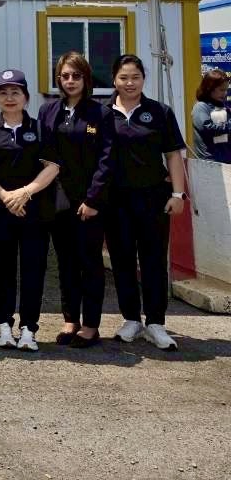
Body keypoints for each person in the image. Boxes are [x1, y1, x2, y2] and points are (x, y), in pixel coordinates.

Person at [102, 54, 188, 351]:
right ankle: (131, 319)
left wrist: (178, 194)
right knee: (122, 259)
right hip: (116, 200)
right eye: (124, 78)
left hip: (153, 198)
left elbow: (173, 154)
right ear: (114, 80)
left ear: (143, 80)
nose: (130, 83)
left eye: (135, 77)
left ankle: (155, 322)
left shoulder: (159, 112)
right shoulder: (102, 113)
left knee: (153, 259)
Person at [39, 51, 115, 348]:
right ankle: (70, 320)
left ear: (86, 78)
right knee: (66, 262)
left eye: (76, 76)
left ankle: (91, 325)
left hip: (89, 204)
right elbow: (44, 155)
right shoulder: (48, 111)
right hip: (58, 201)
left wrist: (93, 199)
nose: (70, 81)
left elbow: (106, 160)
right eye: (65, 76)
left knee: (90, 262)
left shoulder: (101, 113)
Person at [0, 69, 59, 352]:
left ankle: (29, 328)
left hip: (34, 212)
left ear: (26, 97)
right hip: (0, 210)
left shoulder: (40, 129)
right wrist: (5, 196)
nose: (9, 98)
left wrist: (25, 193)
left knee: (33, 268)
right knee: (3, 268)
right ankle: (3, 324)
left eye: (15, 92)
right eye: (3, 93)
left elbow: (52, 167)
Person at [190, 69, 231, 163]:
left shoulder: (223, 108)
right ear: (209, 88)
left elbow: (224, 137)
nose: (225, 93)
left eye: (226, 90)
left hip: (225, 162)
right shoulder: (201, 107)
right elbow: (207, 128)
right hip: (209, 163)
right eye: (221, 90)